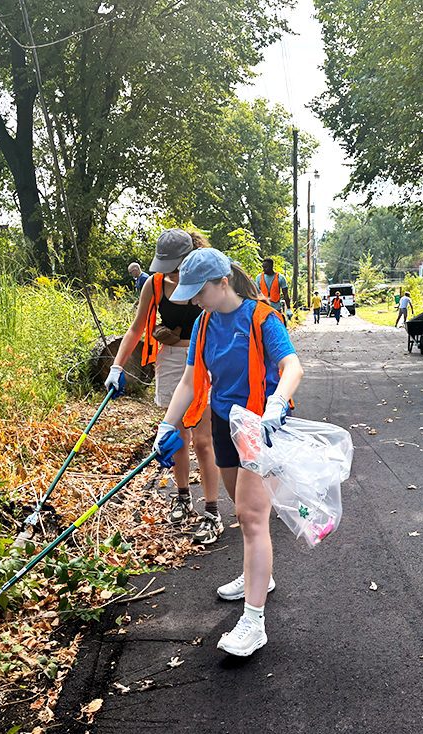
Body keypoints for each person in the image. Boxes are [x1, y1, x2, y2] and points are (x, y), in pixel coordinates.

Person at [153, 247, 303, 657]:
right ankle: (259, 573)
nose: (194, 301)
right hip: (224, 423)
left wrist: (277, 402)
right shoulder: (203, 323)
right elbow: (189, 380)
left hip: (261, 425)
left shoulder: (261, 317)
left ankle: (254, 622)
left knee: (252, 518)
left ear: (223, 284)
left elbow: (292, 367)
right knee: (243, 509)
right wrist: (168, 424)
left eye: (199, 292)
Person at [107, 229, 223, 545]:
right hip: (171, 360)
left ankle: (212, 511)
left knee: (202, 439)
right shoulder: (154, 284)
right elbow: (135, 329)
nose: (171, 271)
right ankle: (183, 497)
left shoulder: (208, 278)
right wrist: (117, 366)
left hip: (206, 358)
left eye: (176, 265)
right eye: (167, 265)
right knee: (177, 436)